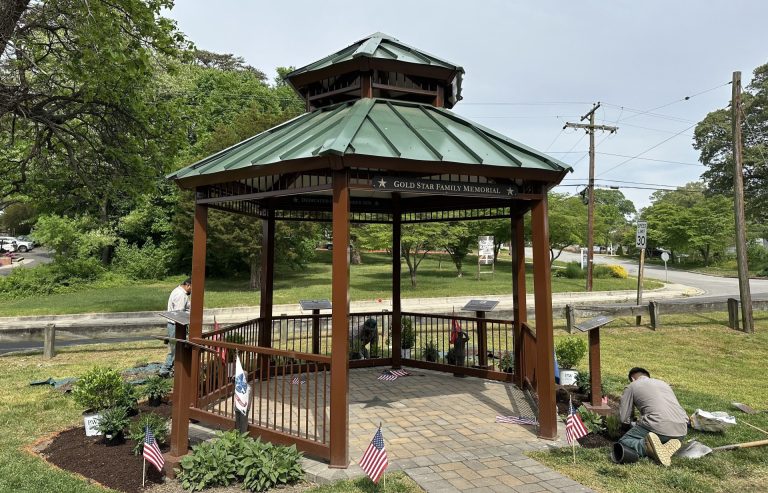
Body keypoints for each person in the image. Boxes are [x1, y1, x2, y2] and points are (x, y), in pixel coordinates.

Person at [614, 367, 688, 466]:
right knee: (658, 434)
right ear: (647, 376)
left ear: (632, 379)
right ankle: (663, 446)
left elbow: (624, 418)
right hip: (681, 430)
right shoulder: (664, 384)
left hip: (658, 426)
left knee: (624, 441)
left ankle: (646, 447)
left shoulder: (632, 386)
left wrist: (626, 427)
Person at [164, 278, 192, 371]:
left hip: (175, 325)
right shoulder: (180, 295)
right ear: (188, 285)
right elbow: (179, 314)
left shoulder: (179, 291)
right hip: (176, 325)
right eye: (192, 288)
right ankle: (165, 369)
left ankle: (172, 367)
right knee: (175, 349)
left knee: (176, 348)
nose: (192, 291)